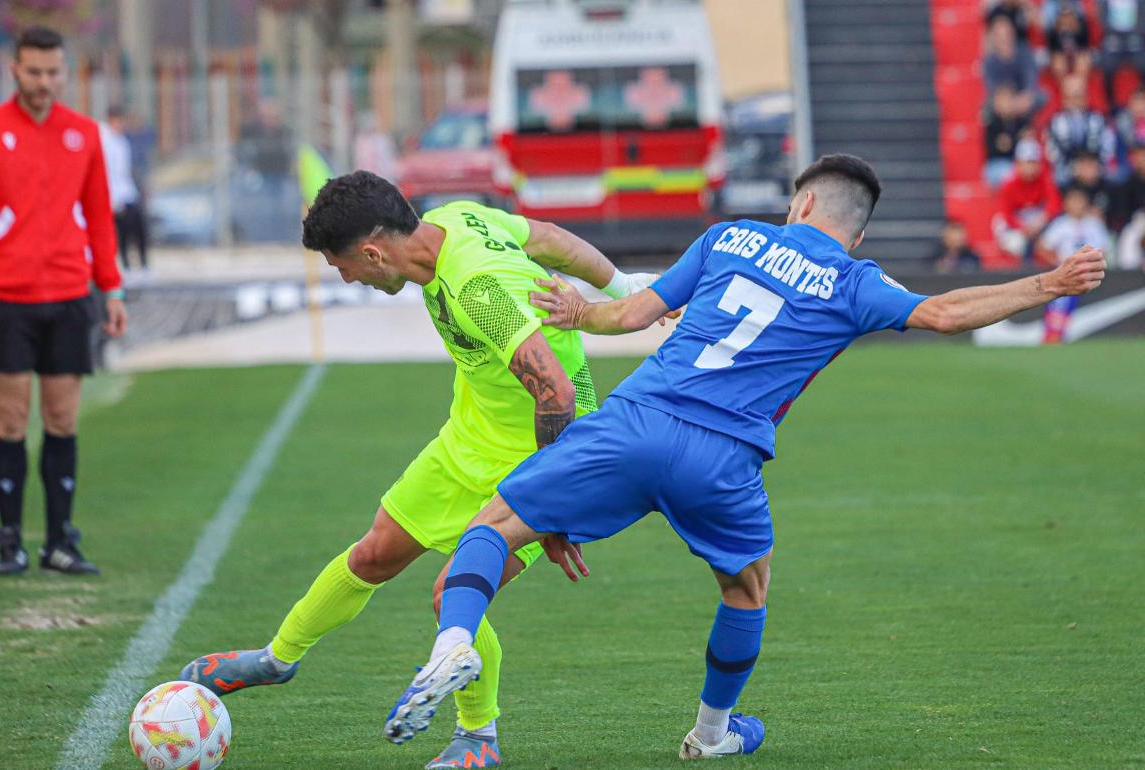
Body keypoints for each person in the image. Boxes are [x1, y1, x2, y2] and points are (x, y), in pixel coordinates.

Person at [382, 154, 1105, 758]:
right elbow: (944, 314)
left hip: (636, 420)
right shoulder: (855, 282)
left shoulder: (728, 238)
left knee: (493, 525)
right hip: (721, 459)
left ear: (804, 201)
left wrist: (580, 313)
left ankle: (454, 641)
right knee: (746, 590)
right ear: (852, 228)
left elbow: (628, 315)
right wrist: (1047, 284)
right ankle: (711, 734)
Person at [179, 171, 662, 769]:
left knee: (451, 596)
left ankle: (478, 739)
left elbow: (556, 394)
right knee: (372, 555)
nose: (347, 278)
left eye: (343, 267)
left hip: (545, 452)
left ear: (373, 252)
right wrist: (621, 282)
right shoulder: (457, 218)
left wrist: (549, 506)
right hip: (468, 439)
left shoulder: (474, 289)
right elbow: (548, 237)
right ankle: (277, 658)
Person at [0, 26, 127, 576]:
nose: (45, 82)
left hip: (72, 295)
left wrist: (111, 288)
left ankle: (60, 542)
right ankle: (9, 543)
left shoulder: (84, 134)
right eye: (35, 72)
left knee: (63, 419)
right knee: (11, 418)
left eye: (53, 73)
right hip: (7, 297)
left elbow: (98, 216)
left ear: (64, 73)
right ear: (14, 71)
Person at [1036, 185, 1112, 341]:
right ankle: (1053, 336)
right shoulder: (1061, 224)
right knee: (1060, 303)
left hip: (1089, 273)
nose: (1077, 205)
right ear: (1066, 204)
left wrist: (1094, 264)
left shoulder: (1094, 224)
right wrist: (1057, 263)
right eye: (1074, 201)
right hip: (1066, 273)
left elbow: (1104, 248)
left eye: (1080, 201)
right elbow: (1042, 246)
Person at [992, 138, 1062, 261]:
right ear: (1018, 163)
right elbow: (1006, 214)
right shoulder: (1009, 182)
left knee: (1061, 229)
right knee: (1005, 232)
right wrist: (1023, 227)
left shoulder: (1045, 178)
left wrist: (1041, 220)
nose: (1030, 167)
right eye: (1026, 163)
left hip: (1040, 222)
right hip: (1018, 223)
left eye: (1033, 163)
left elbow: (1054, 204)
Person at [99, 104, 148, 274]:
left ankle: (142, 265)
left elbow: (124, 171)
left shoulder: (122, 141)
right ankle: (126, 265)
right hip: (113, 195)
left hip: (127, 192)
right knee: (121, 232)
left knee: (138, 226)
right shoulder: (103, 140)